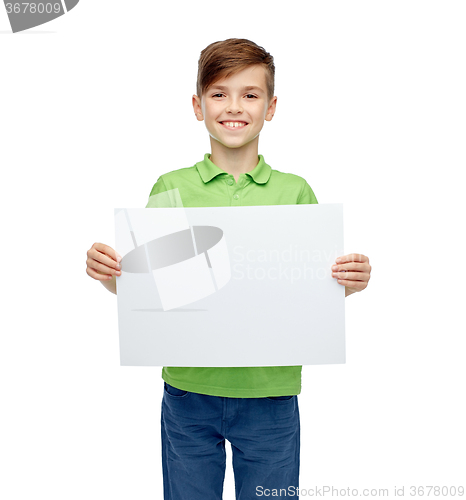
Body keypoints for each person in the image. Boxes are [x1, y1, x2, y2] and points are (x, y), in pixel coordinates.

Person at [86, 38, 371, 500]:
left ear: (271, 107)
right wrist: (112, 277)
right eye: (219, 94)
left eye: (250, 94)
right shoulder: (170, 187)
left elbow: (310, 292)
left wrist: (349, 283)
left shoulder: (295, 192)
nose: (234, 107)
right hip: (188, 391)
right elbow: (156, 291)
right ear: (198, 106)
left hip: (271, 394)